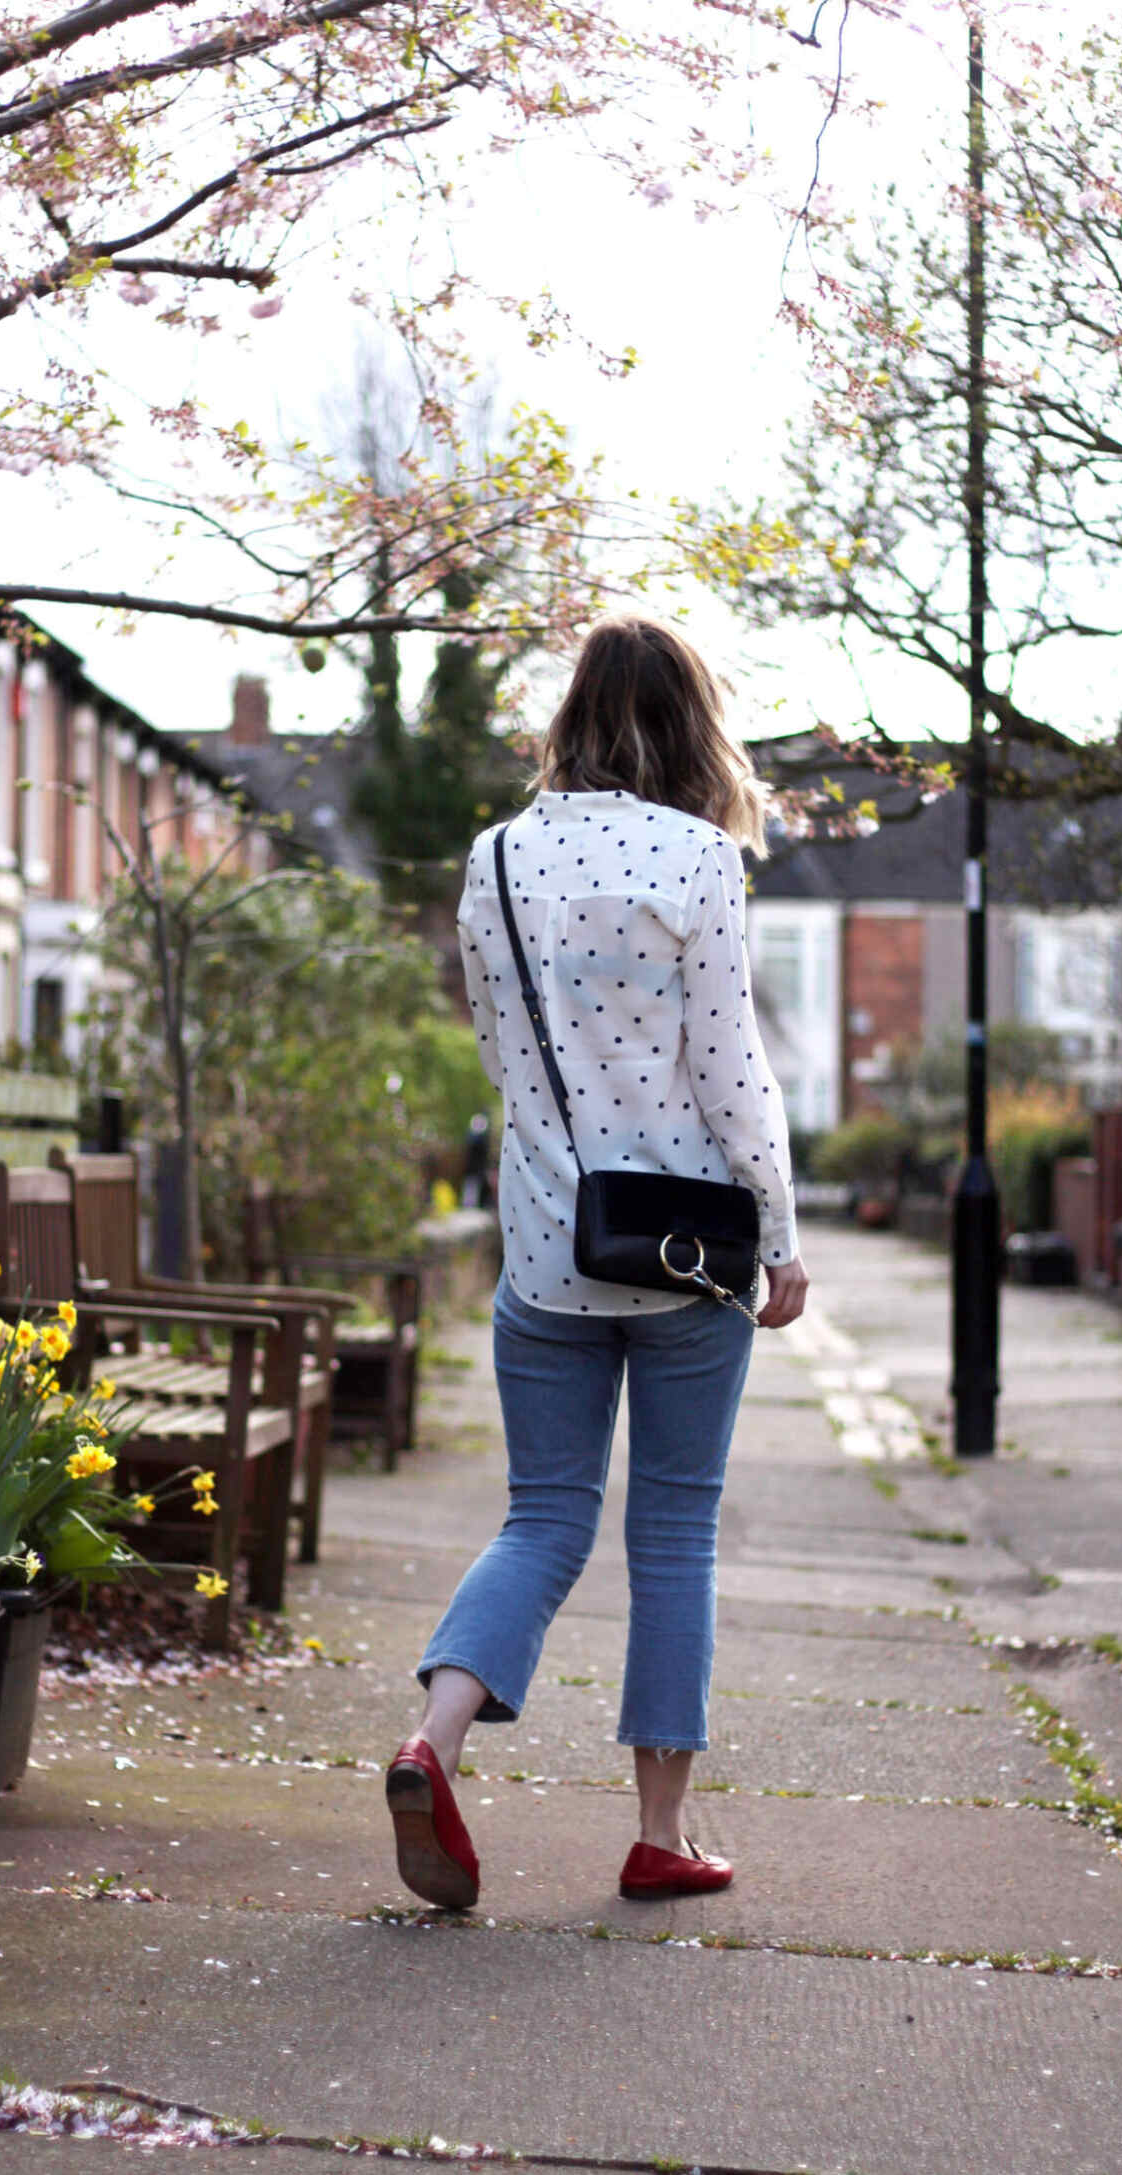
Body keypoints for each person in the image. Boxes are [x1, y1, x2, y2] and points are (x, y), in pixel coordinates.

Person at [385, 615, 809, 1911]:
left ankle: (429, 1742)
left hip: (544, 1252)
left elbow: (500, 1051)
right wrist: (780, 1237)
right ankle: (660, 1834)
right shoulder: (696, 858)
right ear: (693, 725)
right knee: (673, 1530)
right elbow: (728, 1070)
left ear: (570, 718)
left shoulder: (494, 858)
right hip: (682, 1252)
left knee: (542, 1517)